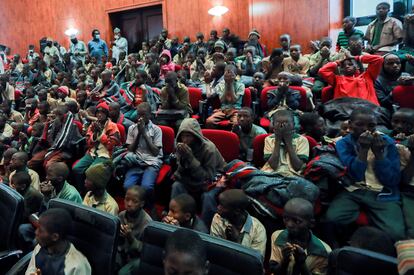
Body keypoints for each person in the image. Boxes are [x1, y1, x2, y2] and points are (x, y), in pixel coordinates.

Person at [326, 107, 405, 242]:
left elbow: (392, 180)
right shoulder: (343, 144)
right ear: (350, 125)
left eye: (371, 126)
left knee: (396, 234)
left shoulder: (387, 142)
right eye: (359, 125)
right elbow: (355, 175)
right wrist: (363, 150)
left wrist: (379, 154)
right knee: (332, 219)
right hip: (354, 189)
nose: (366, 129)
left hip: (382, 192)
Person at [269, 198, 331, 275]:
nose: (289, 224)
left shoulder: (323, 252)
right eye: (285, 218)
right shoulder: (278, 236)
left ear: (311, 223)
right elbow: (274, 271)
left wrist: (301, 263)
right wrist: (285, 261)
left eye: (297, 221)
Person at [25, 208, 91, 275]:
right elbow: (31, 269)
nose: (36, 232)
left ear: (55, 237)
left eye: (40, 230)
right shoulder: (39, 247)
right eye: (37, 228)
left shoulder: (77, 265)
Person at [171, 118, 225, 199]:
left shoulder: (209, 149)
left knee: (207, 196)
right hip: (192, 176)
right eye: (183, 136)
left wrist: (191, 158)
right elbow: (179, 174)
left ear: (195, 135)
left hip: (214, 176)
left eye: (188, 136)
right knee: (176, 186)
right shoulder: (181, 146)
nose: (185, 140)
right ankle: (176, 210)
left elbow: (207, 178)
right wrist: (182, 159)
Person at [72, 102, 120, 192]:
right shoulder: (93, 125)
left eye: (102, 113)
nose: (99, 115)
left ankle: (94, 192)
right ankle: (81, 191)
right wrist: (94, 134)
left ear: (107, 114)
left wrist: (101, 134)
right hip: (92, 153)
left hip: (105, 154)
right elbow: (88, 144)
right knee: (76, 169)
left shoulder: (113, 126)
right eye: (98, 113)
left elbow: (110, 146)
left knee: (90, 172)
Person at [121, 102, 162, 198]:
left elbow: (156, 152)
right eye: (138, 114)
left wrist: (144, 133)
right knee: (127, 186)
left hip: (151, 162)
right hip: (137, 161)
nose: (140, 118)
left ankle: (150, 206)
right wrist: (139, 133)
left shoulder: (157, 130)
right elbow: (130, 149)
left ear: (149, 115)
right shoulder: (132, 128)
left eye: (143, 115)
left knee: (146, 187)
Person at [210, 189, 267, 256]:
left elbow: (255, 263)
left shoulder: (258, 230)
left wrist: (236, 242)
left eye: (223, 206)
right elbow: (214, 251)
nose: (218, 208)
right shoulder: (218, 218)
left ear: (237, 211)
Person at [319, 50, 383, 105]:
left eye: (350, 64)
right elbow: (322, 71)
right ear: (341, 70)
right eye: (343, 66)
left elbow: (378, 59)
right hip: (346, 111)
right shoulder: (337, 79)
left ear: (357, 67)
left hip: (369, 109)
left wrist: (355, 58)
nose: (347, 66)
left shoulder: (367, 76)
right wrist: (338, 62)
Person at [261, 109, 309, 176]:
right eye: (278, 124)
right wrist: (278, 140)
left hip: (294, 175)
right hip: (272, 174)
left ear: (293, 125)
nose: (282, 127)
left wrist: (288, 141)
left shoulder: (302, 140)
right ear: (273, 125)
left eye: (286, 123)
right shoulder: (269, 139)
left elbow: (297, 167)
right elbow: (273, 166)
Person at [117, 186, 152, 275]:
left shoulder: (147, 223)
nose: (129, 204)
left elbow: (145, 251)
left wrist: (130, 238)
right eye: (127, 199)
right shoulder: (121, 215)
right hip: (122, 252)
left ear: (142, 204)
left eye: (134, 201)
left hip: (136, 258)